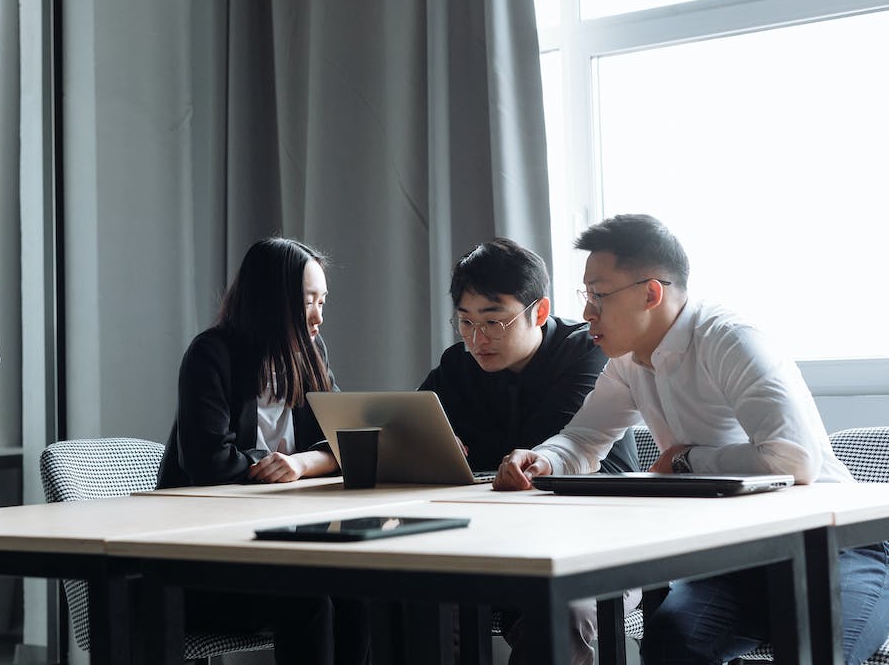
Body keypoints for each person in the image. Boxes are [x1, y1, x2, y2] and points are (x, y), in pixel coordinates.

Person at [494, 213, 889, 665]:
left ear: (650, 293)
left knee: (818, 654)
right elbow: (584, 439)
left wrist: (687, 461)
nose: (586, 313)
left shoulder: (729, 339)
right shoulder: (627, 362)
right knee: (670, 645)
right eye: (586, 296)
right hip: (736, 563)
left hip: (833, 549)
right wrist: (542, 460)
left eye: (599, 296)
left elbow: (794, 460)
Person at [418, 237, 639, 665]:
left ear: (538, 311)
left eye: (493, 321)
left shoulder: (588, 352)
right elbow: (403, 428)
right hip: (495, 540)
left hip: (599, 535)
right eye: (465, 322)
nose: (477, 339)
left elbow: (545, 451)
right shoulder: (458, 366)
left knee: (561, 613)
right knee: (423, 604)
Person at [157, 236, 368, 664]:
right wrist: (276, 466)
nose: (319, 316)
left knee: (363, 591)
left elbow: (346, 437)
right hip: (202, 562)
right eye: (308, 301)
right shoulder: (210, 354)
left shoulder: (311, 353)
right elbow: (209, 464)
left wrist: (303, 463)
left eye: (323, 301)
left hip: (282, 548)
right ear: (272, 299)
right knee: (309, 597)